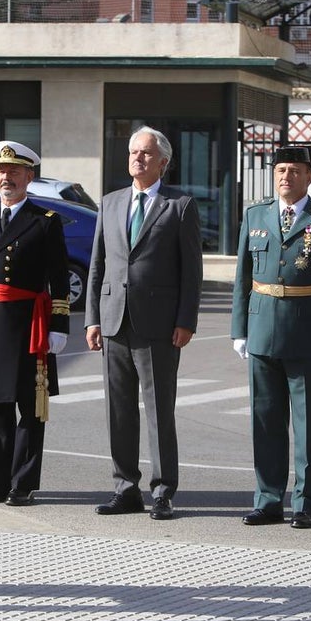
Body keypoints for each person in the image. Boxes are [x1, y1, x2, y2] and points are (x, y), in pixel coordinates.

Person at [230, 145, 311, 530]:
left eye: (295, 171)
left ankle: (305, 503)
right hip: (263, 329)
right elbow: (242, 278)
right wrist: (240, 329)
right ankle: (268, 500)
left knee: (306, 425)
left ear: (309, 176)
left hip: (308, 333)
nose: (286, 176)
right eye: (281, 169)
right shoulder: (256, 215)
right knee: (265, 421)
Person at [85, 126, 202, 521]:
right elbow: (97, 265)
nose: (138, 158)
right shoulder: (111, 202)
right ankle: (125, 488)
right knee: (118, 411)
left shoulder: (179, 206)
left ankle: (163, 490)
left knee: (158, 410)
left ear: (163, 163)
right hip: (115, 319)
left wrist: (186, 320)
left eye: (147, 153)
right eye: (134, 151)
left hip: (159, 324)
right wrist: (92, 319)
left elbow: (192, 271)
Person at [0, 140, 70, 507]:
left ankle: (22, 483)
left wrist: (59, 326)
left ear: (29, 176)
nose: (5, 177)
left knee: (29, 406)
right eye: (0, 171)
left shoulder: (44, 222)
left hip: (29, 324)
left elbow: (58, 278)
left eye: (13, 171)